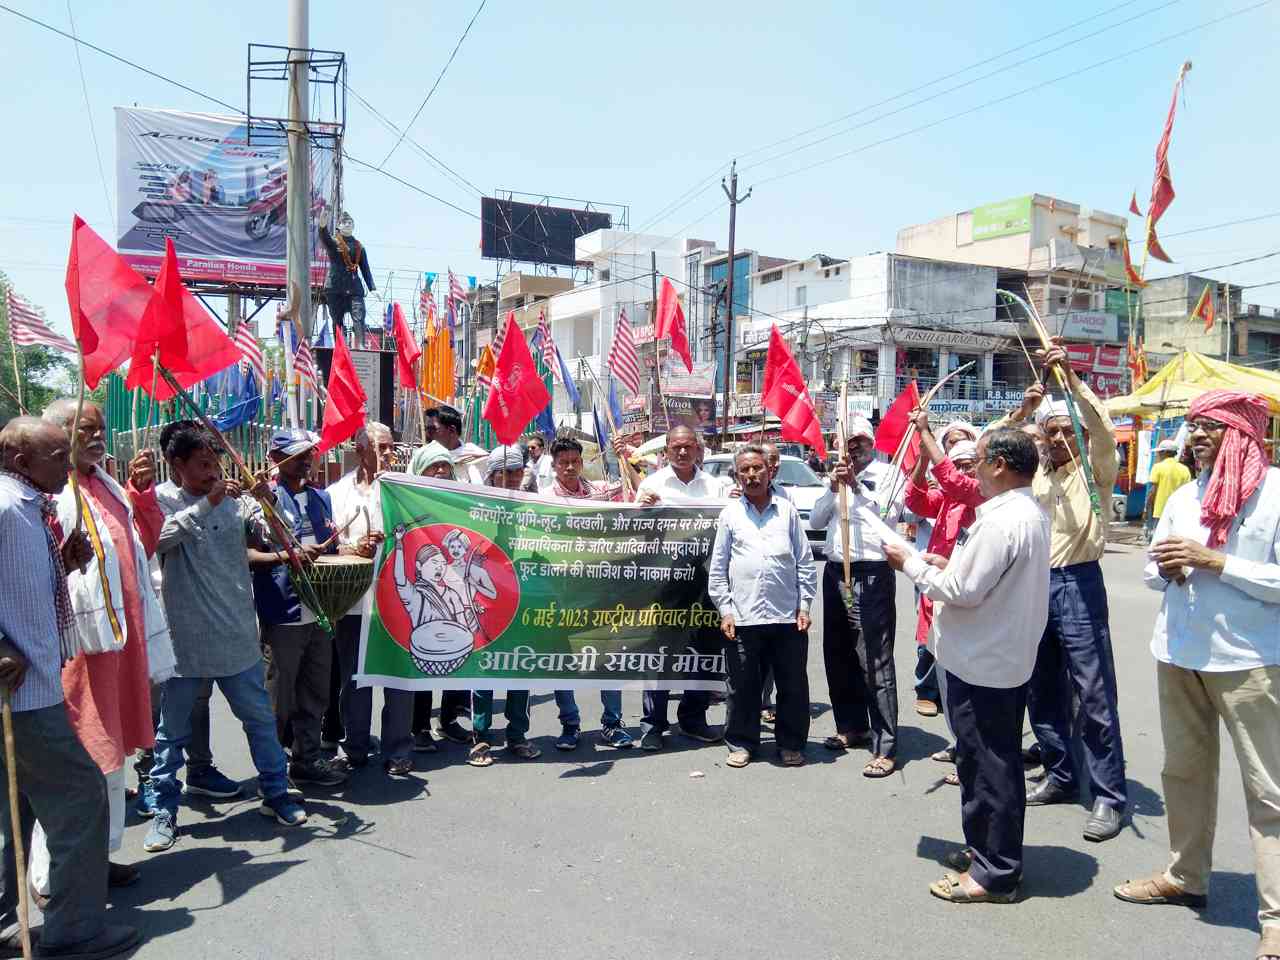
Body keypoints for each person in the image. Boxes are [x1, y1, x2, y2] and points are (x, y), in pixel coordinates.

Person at [1112, 391, 1280, 960]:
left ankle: (1276, 919)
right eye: (1195, 425)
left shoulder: (1274, 493)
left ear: (1245, 432)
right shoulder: (1186, 494)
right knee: (1182, 772)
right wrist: (1167, 567)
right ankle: (1186, 876)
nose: (1198, 435)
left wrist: (1217, 562)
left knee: (1268, 791)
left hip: (1249, 661)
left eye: (1212, 426)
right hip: (1179, 652)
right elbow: (1151, 570)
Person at [885, 428, 1050, 904]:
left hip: (983, 664)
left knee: (987, 768)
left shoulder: (1002, 520)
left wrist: (910, 564)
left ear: (999, 464)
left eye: (977, 459)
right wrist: (945, 564)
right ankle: (988, 853)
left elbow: (962, 591)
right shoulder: (1025, 513)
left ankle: (995, 873)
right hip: (999, 658)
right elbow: (979, 579)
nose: (972, 469)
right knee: (990, 763)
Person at [0, 418, 140, 958]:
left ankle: (9, 924)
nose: (69, 463)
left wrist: (62, 562)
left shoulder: (30, 507)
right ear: (22, 463)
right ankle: (75, 932)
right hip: (24, 693)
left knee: (12, 809)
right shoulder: (8, 507)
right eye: (58, 455)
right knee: (81, 797)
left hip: (35, 684)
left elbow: (18, 586)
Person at [32, 401, 169, 899]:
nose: (97, 437)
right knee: (77, 763)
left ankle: (98, 859)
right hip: (78, 650)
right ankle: (51, 876)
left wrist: (142, 495)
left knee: (111, 762)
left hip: (120, 646)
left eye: (100, 428)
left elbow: (143, 548)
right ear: (57, 435)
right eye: (85, 429)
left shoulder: (108, 486)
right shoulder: (47, 495)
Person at [147, 424, 307, 852]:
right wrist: (207, 504)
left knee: (259, 722)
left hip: (237, 636)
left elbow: (281, 533)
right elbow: (156, 540)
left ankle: (276, 792)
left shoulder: (237, 500)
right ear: (176, 464)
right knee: (171, 734)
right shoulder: (161, 500)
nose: (212, 472)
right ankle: (164, 809)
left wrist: (268, 502)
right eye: (202, 465)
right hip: (185, 642)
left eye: (215, 463)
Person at [998, 342, 1128, 842]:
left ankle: (1109, 796)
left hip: (1078, 585)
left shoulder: (1096, 470)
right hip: (1034, 587)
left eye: (1064, 430)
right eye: (1049, 431)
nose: (1056, 438)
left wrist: (1070, 378)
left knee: (1094, 694)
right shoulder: (1034, 477)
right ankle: (1061, 774)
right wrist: (1024, 411)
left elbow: (1102, 427)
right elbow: (991, 449)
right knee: (1041, 689)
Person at [251, 430, 348, 787]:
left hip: (321, 610)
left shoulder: (322, 498)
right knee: (278, 699)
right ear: (276, 459)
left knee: (315, 693)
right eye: (297, 454)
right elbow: (248, 554)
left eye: (310, 453)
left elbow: (333, 550)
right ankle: (273, 774)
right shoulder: (262, 498)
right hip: (284, 610)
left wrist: (358, 549)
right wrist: (286, 557)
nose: (307, 460)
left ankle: (307, 760)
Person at [708, 445, 816, 768]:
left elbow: (805, 562)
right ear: (737, 476)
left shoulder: (787, 511)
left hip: (787, 617)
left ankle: (791, 743)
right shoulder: (730, 515)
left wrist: (805, 606)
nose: (752, 475)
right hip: (743, 617)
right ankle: (742, 743)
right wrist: (725, 610)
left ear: (769, 472)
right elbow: (718, 568)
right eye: (745, 470)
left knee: (792, 685)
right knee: (743, 686)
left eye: (758, 468)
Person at [809, 415, 905, 778]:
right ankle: (852, 726)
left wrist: (857, 487)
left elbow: (888, 514)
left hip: (870, 574)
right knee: (838, 653)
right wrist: (834, 488)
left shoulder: (888, 475)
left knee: (874, 658)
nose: (852, 448)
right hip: (837, 572)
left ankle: (886, 744)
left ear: (872, 443)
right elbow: (817, 521)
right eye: (846, 442)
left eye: (859, 441)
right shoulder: (833, 477)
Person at [327, 423, 415, 776]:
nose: (389, 454)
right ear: (359, 449)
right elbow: (328, 544)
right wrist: (355, 548)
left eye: (392, 447)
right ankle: (355, 746)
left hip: (396, 600)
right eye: (381, 447)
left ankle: (398, 748)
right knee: (353, 679)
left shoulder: (405, 491)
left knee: (398, 678)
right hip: (352, 601)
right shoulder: (336, 493)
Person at [633, 426, 727, 750]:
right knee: (660, 656)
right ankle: (652, 725)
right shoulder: (652, 485)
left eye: (688, 446)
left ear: (698, 449)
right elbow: (634, 531)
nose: (683, 452)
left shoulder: (716, 487)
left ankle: (693, 718)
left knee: (704, 653)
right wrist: (641, 509)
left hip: (705, 585)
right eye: (676, 447)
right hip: (665, 586)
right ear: (667, 450)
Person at [544, 436, 633, 750]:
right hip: (562, 594)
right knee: (563, 664)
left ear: (582, 463)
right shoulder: (544, 500)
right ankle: (570, 725)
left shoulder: (600, 492)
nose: (570, 467)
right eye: (563, 462)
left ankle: (612, 724)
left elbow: (638, 496)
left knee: (607, 660)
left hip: (601, 592)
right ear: (553, 465)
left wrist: (626, 458)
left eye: (575, 461)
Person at [462, 446, 542, 766]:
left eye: (517, 472)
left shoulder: (534, 508)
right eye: (505, 473)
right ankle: (480, 737)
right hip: (487, 603)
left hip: (523, 601)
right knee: (485, 670)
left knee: (520, 667)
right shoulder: (477, 508)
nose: (511, 478)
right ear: (492, 475)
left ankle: (517, 734)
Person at [903, 414, 983, 719]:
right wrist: (924, 458)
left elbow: (956, 482)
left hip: (966, 584)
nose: (962, 471)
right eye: (957, 464)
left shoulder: (981, 494)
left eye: (968, 464)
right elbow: (916, 501)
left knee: (963, 653)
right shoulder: (948, 495)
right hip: (936, 579)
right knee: (931, 638)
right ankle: (929, 694)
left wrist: (925, 433)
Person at [405, 441, 470, 749]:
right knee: (425, 656)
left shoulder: (461, 500)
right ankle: (418, 726)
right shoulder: (408, 500)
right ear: (420, 470)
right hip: (424, 588)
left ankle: (449, 719)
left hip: (456, 586)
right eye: (434, 465)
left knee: (456, 655)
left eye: (445, 465)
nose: (441, 470)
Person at [1144, 438, 1192, 543]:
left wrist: (1147, 507)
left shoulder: (1158, 467)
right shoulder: (1185, 470)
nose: (1158, 454)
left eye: (1160, 452)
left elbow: (1152, 491)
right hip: (1179, 511)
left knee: (1158, 541)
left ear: (1165, 452)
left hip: (1160, 510)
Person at [433, 407, 487, 484]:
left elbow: (480, 488)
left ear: (451, 430)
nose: (428, 433)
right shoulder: (427, 455)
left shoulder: (476, 458)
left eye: (434, 429)